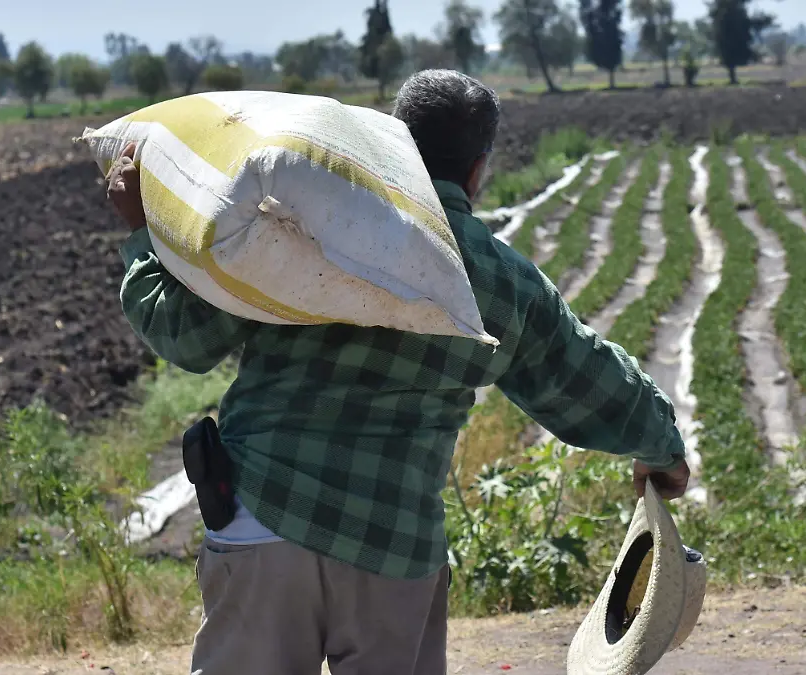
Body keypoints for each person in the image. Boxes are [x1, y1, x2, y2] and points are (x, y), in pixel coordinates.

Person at [105, 69, 689, 675]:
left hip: (265, 516)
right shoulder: (502, 281)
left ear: (390, 139)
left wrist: (142, 239)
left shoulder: (293, 224)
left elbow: (188, 338)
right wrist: (662, 449)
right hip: (393, 545)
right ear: (478, 167)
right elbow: (585, 379)